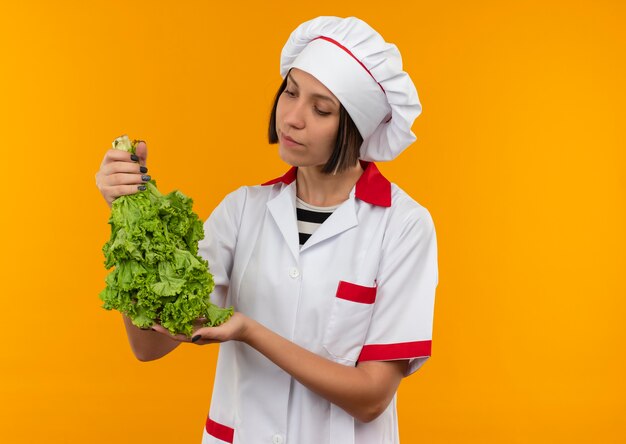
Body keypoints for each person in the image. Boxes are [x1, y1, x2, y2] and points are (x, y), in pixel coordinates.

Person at [96, 16, 438, 444]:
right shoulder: (242, 211)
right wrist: (130, 216)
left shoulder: (402, 226)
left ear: (354, 127)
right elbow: (149, 347)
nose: (292, 118)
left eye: (321, 108)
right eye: (291, 92)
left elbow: (371, 396)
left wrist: (249, 330)